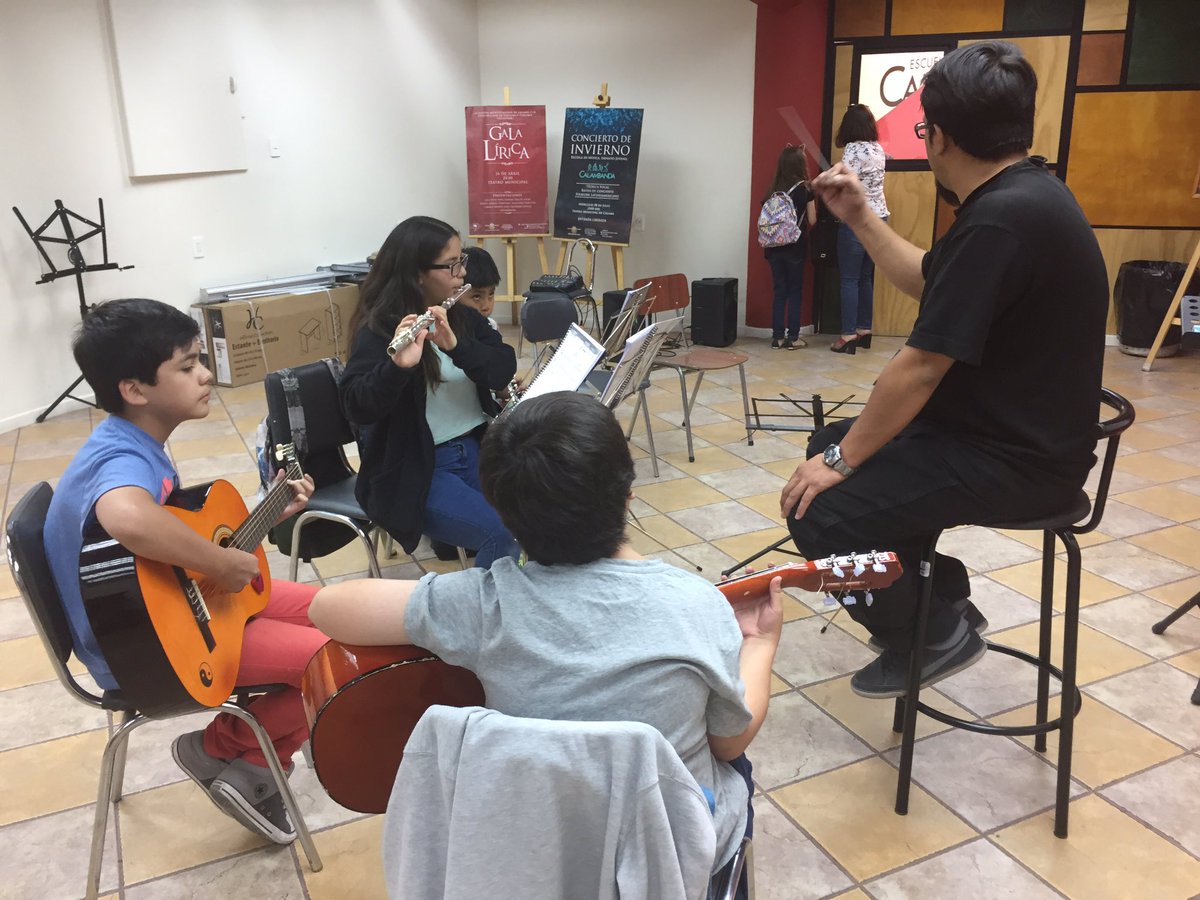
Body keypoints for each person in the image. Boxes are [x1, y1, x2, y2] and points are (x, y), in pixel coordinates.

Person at [309, 391, 784, 877]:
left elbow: (326, 608)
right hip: (665, 860)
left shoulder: (484, 604)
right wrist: (761, 643)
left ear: (502, 514)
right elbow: (728, 743)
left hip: (539, 850)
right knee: (736, 771)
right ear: (627, 495)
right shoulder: (696, 603)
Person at [780, 41, 1109, 698]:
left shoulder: (1001, 220)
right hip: (1014, 436)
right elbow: (932, 280)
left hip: (1020, 460)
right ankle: (942, 596)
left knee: (822, 507)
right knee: (830, 447)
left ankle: (931, 632)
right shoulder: (1022, 196)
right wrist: (859, 216)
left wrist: (842, 461)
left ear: (939, 136)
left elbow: (921, 367)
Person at [43, 298, 326, 843]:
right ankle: (228, 753)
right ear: (135, 390)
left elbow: (171, 541)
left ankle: (253, 753)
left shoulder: (134, 441)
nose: (206, 375)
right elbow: (128, 517)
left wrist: (267, 512)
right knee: (329, 662)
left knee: (336, 614)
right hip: (146, 648)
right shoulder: (122, 459)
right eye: (188, 365)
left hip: (165, 614)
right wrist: (219, 561)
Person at [340, 215, 521, 568]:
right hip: (419, 469)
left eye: (461, 261)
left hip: (477, 450)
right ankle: (484, 604)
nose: (462, 273)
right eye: (452, 265)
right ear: (417, 273)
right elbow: (356, 406)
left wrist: (457, 347)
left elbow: (503, 367)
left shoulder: (461, 317)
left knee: (540, 515)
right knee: (500, 534)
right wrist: (396, 368)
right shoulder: (380, 329)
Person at [831, 104, 890, 354]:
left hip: (856, 220)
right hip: (879, 219)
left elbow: (846, 185)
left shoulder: (853, 150)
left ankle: (847, 336)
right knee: (866, 277)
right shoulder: (878, 149)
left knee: (849, 279)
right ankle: (864, 330)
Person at [761, 144, 817, 349]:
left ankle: (777, 337)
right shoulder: (805, 189)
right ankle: (793, 338)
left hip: (773, 246)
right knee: (794, 291)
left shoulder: (773, 189)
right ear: (801, 164)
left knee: (779, 291)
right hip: (795, 247)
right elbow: (812, 219)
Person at [460, 245, 501, 332]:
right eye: (477, 296)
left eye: (491, 294)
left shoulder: (492, 326)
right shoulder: (442, 330)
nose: (486, 306)